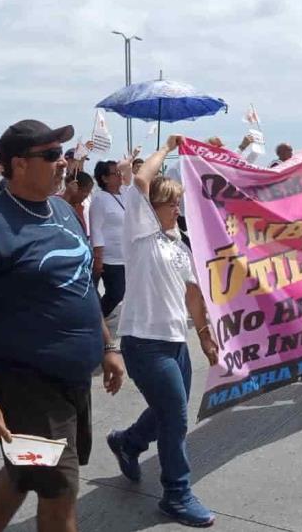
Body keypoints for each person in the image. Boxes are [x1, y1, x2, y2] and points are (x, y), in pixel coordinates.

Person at [0, 119, 125, 532]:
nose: (64, 163)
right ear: (19, 165)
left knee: (25, 471)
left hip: (72, 380)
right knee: (60, 491)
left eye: (61, 154)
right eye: (51, 156)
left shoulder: (62, 210)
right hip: (26, 386)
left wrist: (108, 346)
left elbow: (81, 286)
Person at [107, 135, 218, 527]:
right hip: (144, 343)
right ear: (150, 208)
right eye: (168, 201)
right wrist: (167, 148)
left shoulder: (180, 246)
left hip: (176, 343)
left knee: (167, 410)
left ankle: (128, 442)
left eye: (177, 201)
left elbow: (193, 297)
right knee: (176, 418)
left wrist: (204, 337)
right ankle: (176, 493)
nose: (175, 207)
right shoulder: (140, 233)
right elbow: (140, 181)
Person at [89, 160, 128, 318]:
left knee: (123, 291)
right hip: (110, 258)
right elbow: (96, 228)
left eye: (120, 173)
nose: (120, 176)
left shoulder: (124, 194)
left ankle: (99, 318)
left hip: (126, 255)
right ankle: (96, 319)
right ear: (104, 178)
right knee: (116, 292)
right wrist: (98, 258)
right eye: (115, 173)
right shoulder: (100, 199)